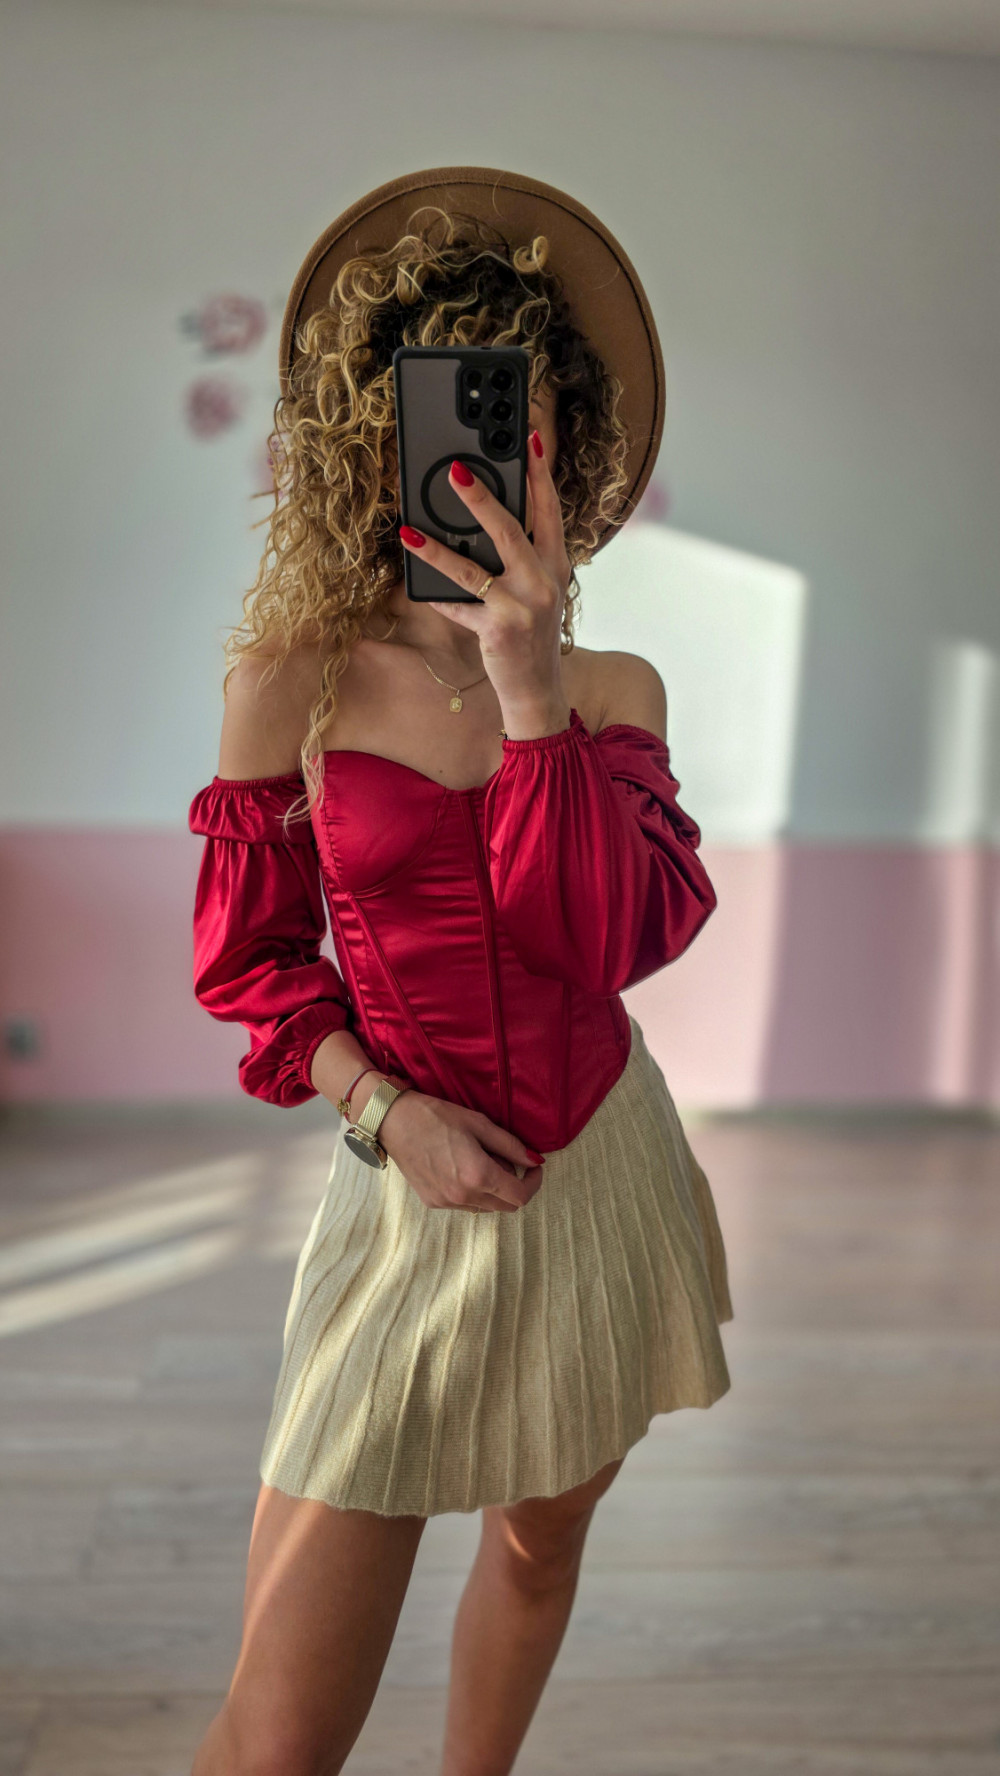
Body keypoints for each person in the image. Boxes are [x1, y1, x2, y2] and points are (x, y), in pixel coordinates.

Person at [187, 167, 733, 1776]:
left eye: (525, 433)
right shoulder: (290, 682)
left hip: (601, 1180)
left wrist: (531, 691)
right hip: (400, 1196)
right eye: (452, 425)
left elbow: (605, 943)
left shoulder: (614, 688)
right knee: (277, 1738)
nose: (492, 466)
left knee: (537, 1552)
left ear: (570, 455)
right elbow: (255, 965)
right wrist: (386, 1115)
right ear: (379, 441)